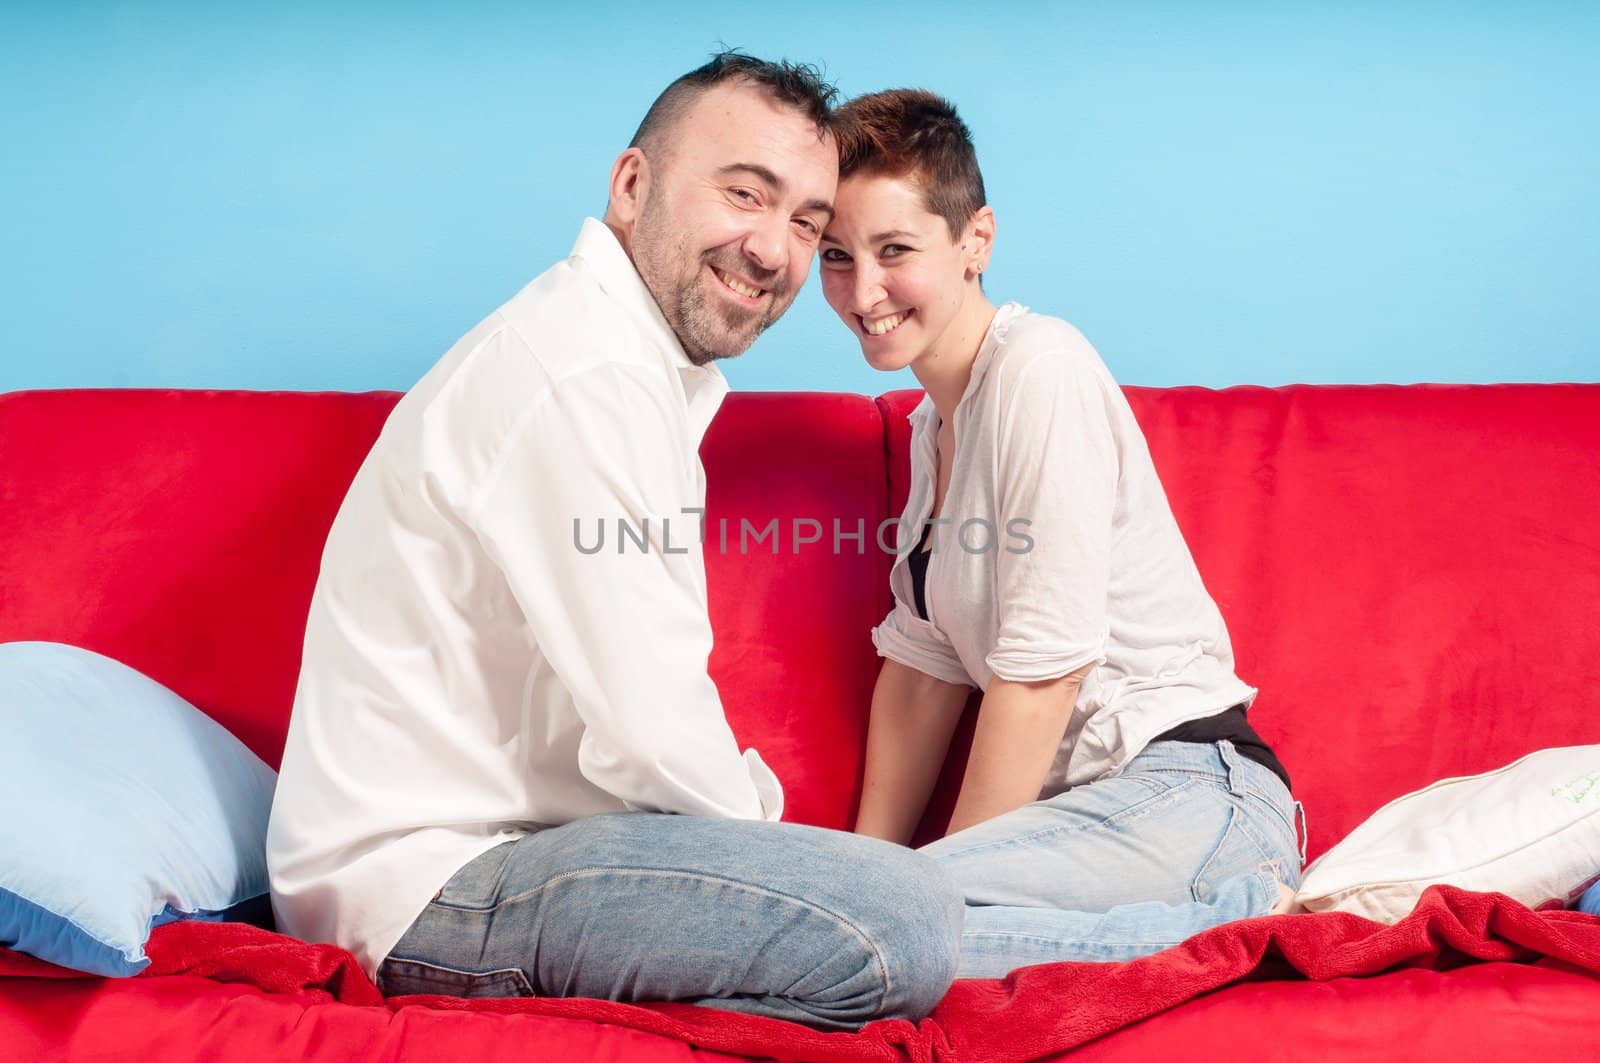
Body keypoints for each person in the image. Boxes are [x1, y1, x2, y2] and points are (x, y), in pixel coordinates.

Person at [265, 54, 962, 1029]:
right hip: (431, 884)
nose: (774, 249)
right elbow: (653, 728)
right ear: (632, 186)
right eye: (744, 194)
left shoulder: (620, 360)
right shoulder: (582, 371)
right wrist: (783, 863)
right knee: (899, 918)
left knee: (892, 902)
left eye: (806, 223)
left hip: (528, 852)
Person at [818, 89, 1307, 979]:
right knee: (845, 931)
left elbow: (1044, 673)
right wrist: (868, 871)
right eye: (836, 257)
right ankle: (1227, 930)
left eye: (895, 251)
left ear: (976, 241)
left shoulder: (1038, 370)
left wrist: (920, 893)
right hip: (1093, 832)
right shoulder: (936, 428)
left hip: (1193, 796)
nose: (863, 290)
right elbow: (923, 669)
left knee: (868, 940)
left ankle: (1269, 925)